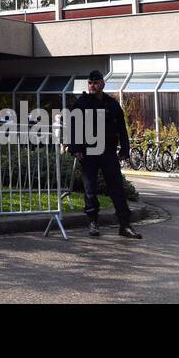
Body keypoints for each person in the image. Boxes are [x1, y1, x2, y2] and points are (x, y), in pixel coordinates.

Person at [65, 70, 142, 239]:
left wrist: (124, 150)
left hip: (108, 150)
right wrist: (75, 148)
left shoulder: (112, 104)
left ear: (102, 84)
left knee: (116, 188)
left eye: (96, 83)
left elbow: (122, 128)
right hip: (88, 151)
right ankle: (93, 222)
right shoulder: (81, 103)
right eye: (90, 83)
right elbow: (73, 127)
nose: (93, 86)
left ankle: (125, 225)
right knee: (90, 188)